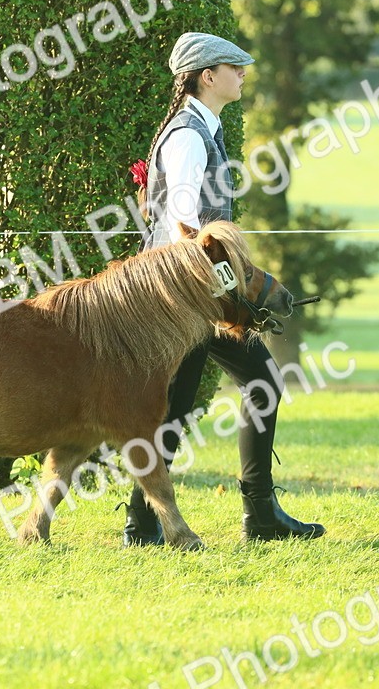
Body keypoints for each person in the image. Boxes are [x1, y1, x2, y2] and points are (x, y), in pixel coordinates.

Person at [122, 32, 324, 545]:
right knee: (261, 385)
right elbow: (186, 228)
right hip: (192, 293)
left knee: (176, 407)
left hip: (187, 291)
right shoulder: (190, 135)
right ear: (206, 76)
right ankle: (259, 514)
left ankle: (141, 525)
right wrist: (232, 293)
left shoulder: (197, 129)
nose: (243, 73)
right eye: (234, 67)